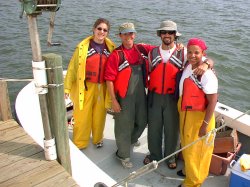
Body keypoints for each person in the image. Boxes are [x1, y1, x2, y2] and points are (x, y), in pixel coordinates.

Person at [143, 20, 213, 169]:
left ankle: (171, 156)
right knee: (154, 128)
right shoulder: (152, 52)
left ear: (175, 35)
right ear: (160, 35)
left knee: (172, 129)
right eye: (164, 32)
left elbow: (204, 58)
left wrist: (207, 64)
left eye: (170, 32)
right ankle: (154, 155)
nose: (167, 35)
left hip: (173, 98)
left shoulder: (185, 52)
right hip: (154, 97)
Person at [104, 22, 154, 168]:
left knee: (143, 120)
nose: (128, 36)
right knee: (123, 126)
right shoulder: (116, 55)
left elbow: (162, 49)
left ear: (135, 34)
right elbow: (109, 79)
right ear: (120, 36)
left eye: (131, 33)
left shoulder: (141, 49)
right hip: (124, 97)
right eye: (125, 34)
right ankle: (122, 154)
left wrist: (179, 46)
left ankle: (131, 139)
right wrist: (114, 100)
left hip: (140, 94)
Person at [64, 18, 116, 149]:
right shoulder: (82, 48)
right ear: (94, 29)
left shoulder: (111, 48)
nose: (101, 32)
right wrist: (66, 89)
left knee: (99, 116)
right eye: (99, 28)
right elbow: (72, 69)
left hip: (102, 88)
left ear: (107, 33)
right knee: (82, 116)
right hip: (85, 88)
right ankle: (80, 143)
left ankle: (98, 139)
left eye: (105, 30)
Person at [177, 38, 218, 187]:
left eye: (196, 52)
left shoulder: (206, 73)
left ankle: (193, 182)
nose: (192, 55)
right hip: (186, 112)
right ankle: (189, 171)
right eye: (190, 52)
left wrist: (205, 124)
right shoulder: (189, 64)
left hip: (199, 117)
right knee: (187, 146)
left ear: (203, 54)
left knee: (197, 151)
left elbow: (213, 100)